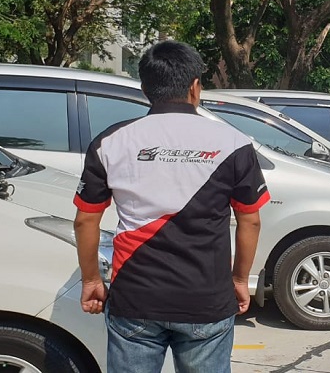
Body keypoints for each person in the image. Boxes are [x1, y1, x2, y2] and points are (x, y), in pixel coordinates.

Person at [73, 41, 267, 373]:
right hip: (206, 299)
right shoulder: (233, 143)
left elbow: (85, 221)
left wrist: (91, 279)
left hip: (135, 299)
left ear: (145, 89)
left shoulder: (110, 141)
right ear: (195, 87)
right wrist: (238, 280)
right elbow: (250, 221)